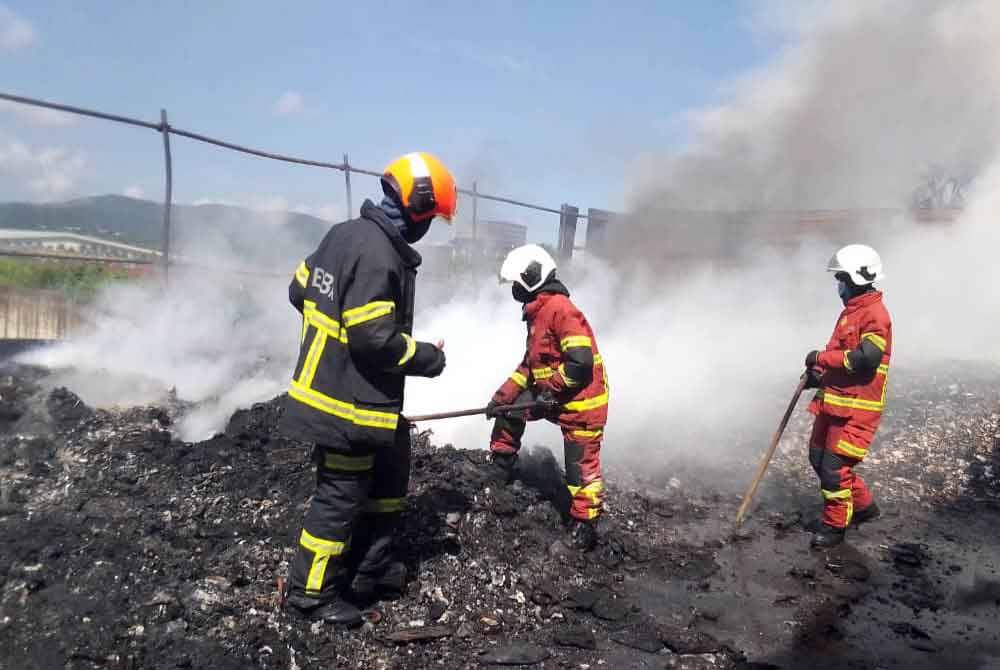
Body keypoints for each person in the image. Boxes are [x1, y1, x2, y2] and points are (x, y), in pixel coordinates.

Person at [280, 152, 457, 625]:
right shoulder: (379, 253)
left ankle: (366, 573)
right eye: (432, 216)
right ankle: (310, 595)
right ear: (418, 205)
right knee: (339, 497)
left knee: (389, 480)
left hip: (357, 401)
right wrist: (426, 357)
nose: (430, 226)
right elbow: (372, 337)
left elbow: (300, 290)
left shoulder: (342, 235)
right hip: (344, 406)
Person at [485, 244, 609, 551]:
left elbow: (580, 363)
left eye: (516, 283)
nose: (514, 290)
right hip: (552, 397)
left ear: (530, 277)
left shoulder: (561, 309)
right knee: (510, 410)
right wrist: (502, 397)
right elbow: (529, 366)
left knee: (579, 470)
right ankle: (499, 470)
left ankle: (585, 526)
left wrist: (549, 392)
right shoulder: (538, 314)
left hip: (581, 404)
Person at [803, 244, 891, 549]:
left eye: (840, 279)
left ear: (854, 279)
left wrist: (822, 358)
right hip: (834, 402)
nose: (838, 286)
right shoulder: (850, 314)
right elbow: (844, 359)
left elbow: (865, 359)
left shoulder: (874, 316)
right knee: (817, 457)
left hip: (856, 410)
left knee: (833, 468)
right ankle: (865, 508)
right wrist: (818, 377)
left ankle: (834, 526)